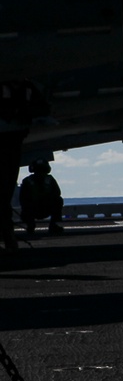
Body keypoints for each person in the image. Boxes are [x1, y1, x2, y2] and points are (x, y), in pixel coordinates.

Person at [0, 79, 49, 252]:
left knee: (4, 194)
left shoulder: (27, 88)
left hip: (13, 138)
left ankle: (9, 239)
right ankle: (9, 239)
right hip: (13, 138)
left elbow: (41, 107)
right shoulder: (27, 88)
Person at [18, 159, 64, 235]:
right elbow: (23, 199)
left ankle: (53, 225)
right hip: (33, 208)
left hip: (46, 207)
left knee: (58, 200)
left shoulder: (28, 180)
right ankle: (31, 225)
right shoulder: (28, 181)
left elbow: (57, 193)